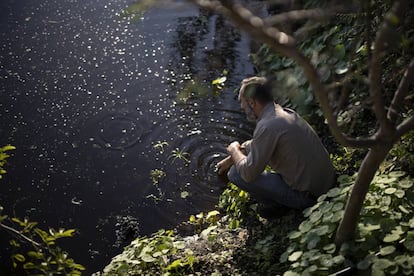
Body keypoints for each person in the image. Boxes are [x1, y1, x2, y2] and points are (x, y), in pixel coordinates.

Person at [216, 76, 335, 209]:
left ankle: (276, 205)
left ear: (252, 103)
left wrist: (233, 149)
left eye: (242, 102)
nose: (241, 107)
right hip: (329, 185)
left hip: (310, 199)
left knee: (235, 174)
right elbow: (256, 143)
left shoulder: (267, 126)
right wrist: (231, 158)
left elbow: (248, 173)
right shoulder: (283, 114)